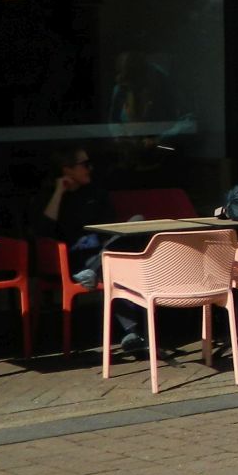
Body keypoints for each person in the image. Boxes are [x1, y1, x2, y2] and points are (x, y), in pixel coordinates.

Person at [38, 146, 145, 356]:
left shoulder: (96, 193)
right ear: (67, 169)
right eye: (84, 165)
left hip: (101, 254)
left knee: (137, 223)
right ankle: (133, 332)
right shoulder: (50, 196)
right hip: (73, 260)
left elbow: (113, 228)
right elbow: (43, 230)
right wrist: (59, 192)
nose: (90, 169)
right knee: (115, 269)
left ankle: (132, 333)